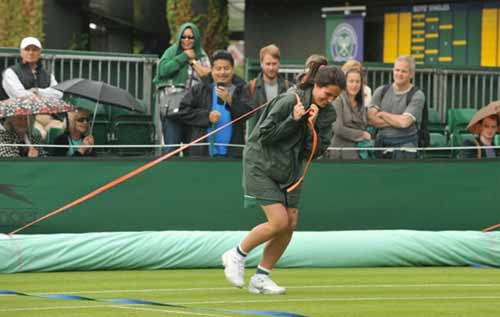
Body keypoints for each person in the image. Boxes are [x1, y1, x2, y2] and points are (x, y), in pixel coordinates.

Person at [221, 65, 345, 294]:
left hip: (291, 170)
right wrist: (293, 119)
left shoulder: (328, 114)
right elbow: (264, 136)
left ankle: (260, 278)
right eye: (327, 94)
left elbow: (315, 151)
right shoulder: (290, 100)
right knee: (278, 222)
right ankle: (236, 254)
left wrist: (310, 126)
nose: (329, 100)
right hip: (261, 163)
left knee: (290, 223)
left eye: (335, 97)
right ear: (316, 85)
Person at [177, 50, 250, 157]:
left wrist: (230, 100)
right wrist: (207, 116)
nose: (222, 72)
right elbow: (183, 111)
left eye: (226, 68)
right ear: (211, 70)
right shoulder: (199, 90)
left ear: (232, 70)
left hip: (233, 154)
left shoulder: (241, 89)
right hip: (203, 154)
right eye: (218, 68)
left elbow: (247, 113)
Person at [153, 23, 211, 154]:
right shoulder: (171, 51)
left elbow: (207, 77)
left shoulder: (201, 54)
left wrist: (193, 61)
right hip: (173, 109)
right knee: (171, 150)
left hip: (193, 110)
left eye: (191, 37)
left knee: (193, 151)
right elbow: (162, 70)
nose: (187, 40)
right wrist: (183, 57)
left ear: (196, 38)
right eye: (183, 37)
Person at [1, 36, 64, 139]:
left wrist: (38, 91)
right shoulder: (11, 72)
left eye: (34, 50)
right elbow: (19, 95)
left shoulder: (48, 74)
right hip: (24, 117)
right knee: (39, 134)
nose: (31, 53)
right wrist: (46, 95)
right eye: (27, 49)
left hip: (49, 117)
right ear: (21, 52)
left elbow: (58, 94)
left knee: (61, 130)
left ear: (40, 52)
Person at [367, 55, 425, 159]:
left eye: (404, 71)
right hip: (382, 146)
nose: (399, 74)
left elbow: (404, 122)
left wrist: (382, 114)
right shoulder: (381, 91)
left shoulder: (417, 95)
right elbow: (371, 118)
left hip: (406, 148)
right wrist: (396, 121)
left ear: (411, 74)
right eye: (397, 70)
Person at [326, 67, 371, 160]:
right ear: (344, 83)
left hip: (359, 152)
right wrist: (361, 134)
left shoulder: (361, 102)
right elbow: (337, 128)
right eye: (351, 81)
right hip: (339, 153)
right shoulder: (337, 100)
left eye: (357, 81)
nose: (354, 85)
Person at [246, 44, 289, 138]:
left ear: (279, 64)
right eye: (268, 64)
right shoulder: (251, 87)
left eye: (274, 64)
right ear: (261, 64)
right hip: (258, 140)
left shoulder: (288, 87)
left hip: (280, 139)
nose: (271, 68)